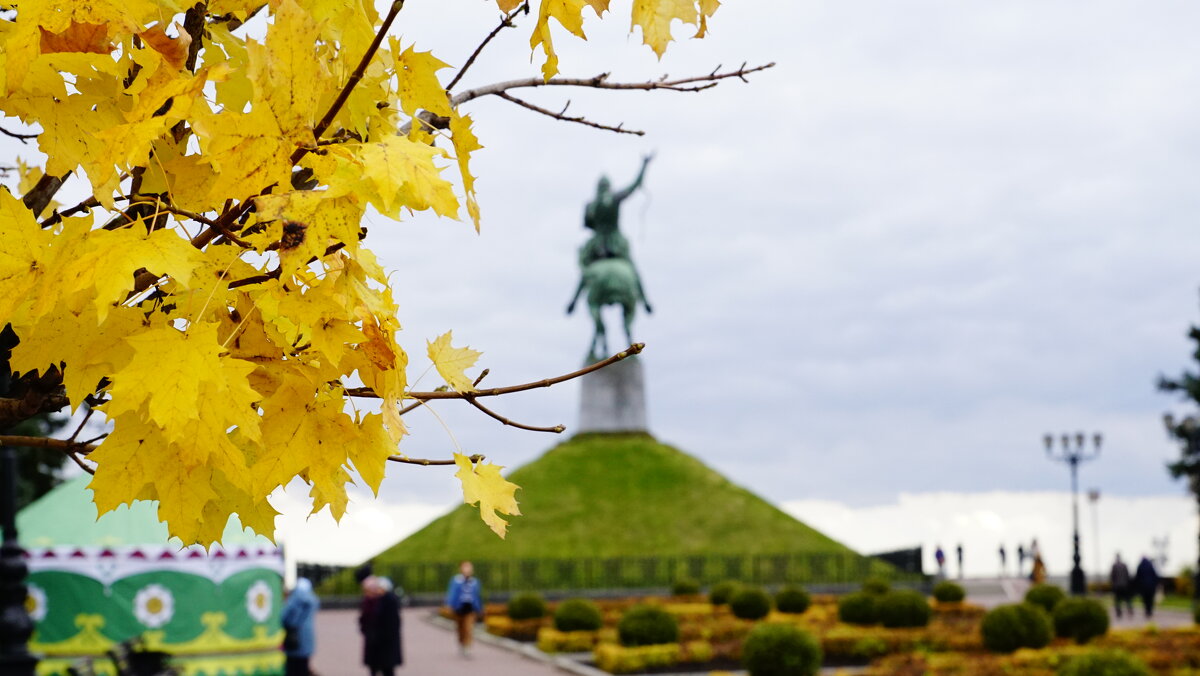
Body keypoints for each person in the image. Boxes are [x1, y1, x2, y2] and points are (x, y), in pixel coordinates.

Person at [359, 576, 403, 676]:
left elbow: (392, 623)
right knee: (376, 668)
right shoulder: (371, 601)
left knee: (387, 669)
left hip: (385, 642)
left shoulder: (388, 600)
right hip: (375, 641)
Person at [445, 560, 483, 657]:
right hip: (459, 608)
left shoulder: (475, 582)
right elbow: (452, 593)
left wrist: (479, 608)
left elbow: (477, 596)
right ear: (461, 569)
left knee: (468, 628)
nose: (467, 569)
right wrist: (450, 604)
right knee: (460, 629)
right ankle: (462, 643)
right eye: (465, 567)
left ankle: (467, 647)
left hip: (470, 608)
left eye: (469, 567)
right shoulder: (456, 580)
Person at [282, 578, 319, 676]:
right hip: (307, 641)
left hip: (293, 639)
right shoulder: (313, 600)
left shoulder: (295, 599)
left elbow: (285, 617)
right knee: (303, 667)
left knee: (292, 669)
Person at [1110, 553, 1133, 619]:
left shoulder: (1114, 566)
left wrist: (1113, 585)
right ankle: (1130, 610)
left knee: (1117, 600)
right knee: (1127, 599)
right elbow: (1128, 576)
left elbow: (1112, 577)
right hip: (1124, 585)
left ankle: (1119, 612)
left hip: (1117, 586)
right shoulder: (1124, 565)